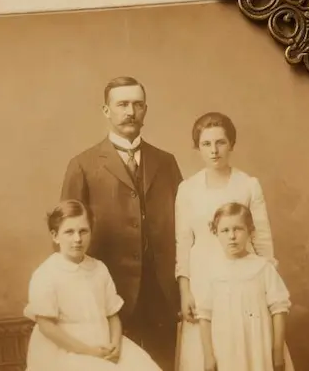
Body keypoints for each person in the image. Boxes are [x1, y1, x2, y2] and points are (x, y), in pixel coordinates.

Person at [60, 76, 183, 371]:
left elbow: (187, 227)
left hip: (161, 293)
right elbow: (67, 236)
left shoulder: (166, 162)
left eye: (138, 105)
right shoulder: (83, 165)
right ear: (106, 110)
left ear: (145, 110)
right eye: (122, 104)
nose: (131, 111)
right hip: (106, 291)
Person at [174, 112, 280, 370]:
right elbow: (183, 242)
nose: (214, 151)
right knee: (207, 355)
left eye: (220, 142)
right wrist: (185, 290)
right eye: (206, 144)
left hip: (244, 281)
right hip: (202, 279)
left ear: (231, 144)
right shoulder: (187, 189)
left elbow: (262, 239)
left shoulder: (248, 185)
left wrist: (266, 285)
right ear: (198, 148)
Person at [23, 200, 162, 371]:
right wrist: (88, 351)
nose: (77, 239)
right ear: (55, 236)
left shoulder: (99, 269)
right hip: (65, 349)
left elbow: (112, 315)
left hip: (103, 343)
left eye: (83, 231)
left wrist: (115, 344)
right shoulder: (46, 274)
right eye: (69, 232)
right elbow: (47, 327)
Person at [196, 203, 293, 371]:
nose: (232, 236)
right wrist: (208, 355)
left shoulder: (263, 268)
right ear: (215, 233)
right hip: (227, 350)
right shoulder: (211, 271)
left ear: (250, 231)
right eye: (225, 231)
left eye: (238, 229)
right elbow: (204, 316)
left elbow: (279, 310)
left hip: (258, 348)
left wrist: (277, 352)